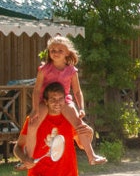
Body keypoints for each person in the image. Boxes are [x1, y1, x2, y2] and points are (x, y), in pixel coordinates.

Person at [22, 35, 105, 168]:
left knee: (80, 125)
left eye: (60, 50)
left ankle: (91, 156)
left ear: (67, 52)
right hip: (45, 101)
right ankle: (28, 159)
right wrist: (35, 109)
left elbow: (77, 91)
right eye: (52, 50)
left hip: (64, 101)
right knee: (32, 125)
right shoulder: (44, 69)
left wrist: (81, 108)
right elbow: (36, 90)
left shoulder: (71, 70)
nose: (55, 53)